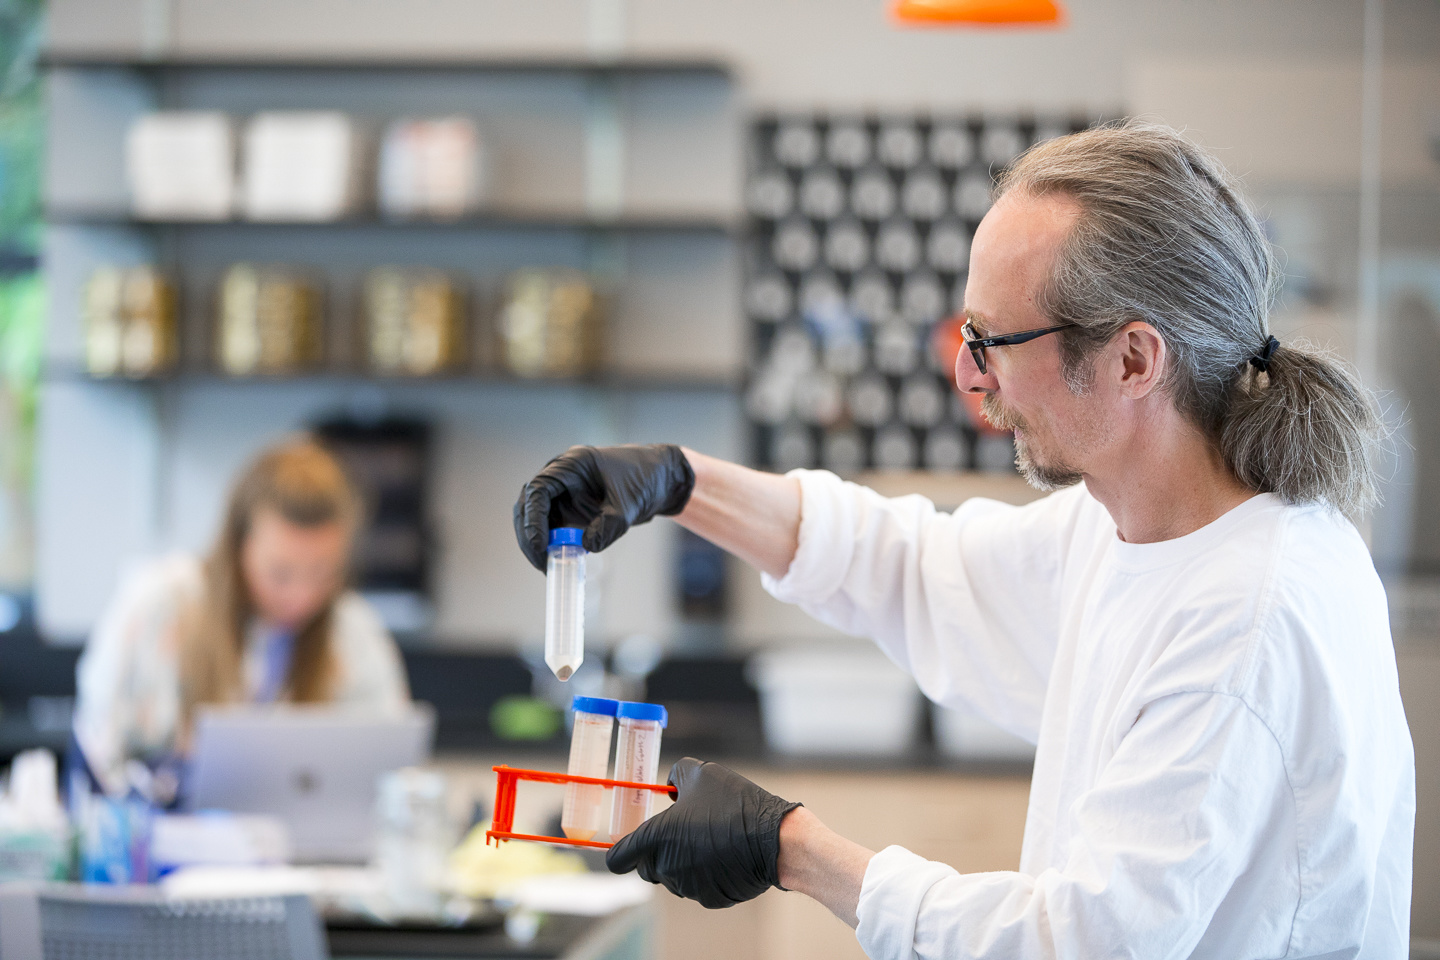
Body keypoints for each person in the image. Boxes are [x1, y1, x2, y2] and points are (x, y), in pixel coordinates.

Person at [513, 122, 1414, 959]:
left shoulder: (1246, 619)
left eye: (991, 339)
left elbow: (1079, 942)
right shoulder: (1122, 527)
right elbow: (911, 566)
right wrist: (677, 480)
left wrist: (793, 848)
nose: (966, 373)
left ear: (1135, 360)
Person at [74, 437, 410, 799]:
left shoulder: (353, 630)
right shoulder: (160, 603)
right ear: (237, 547)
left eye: (324, 573)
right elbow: (101, 756)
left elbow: (391, 768)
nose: (302, 596)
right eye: (281, 573)